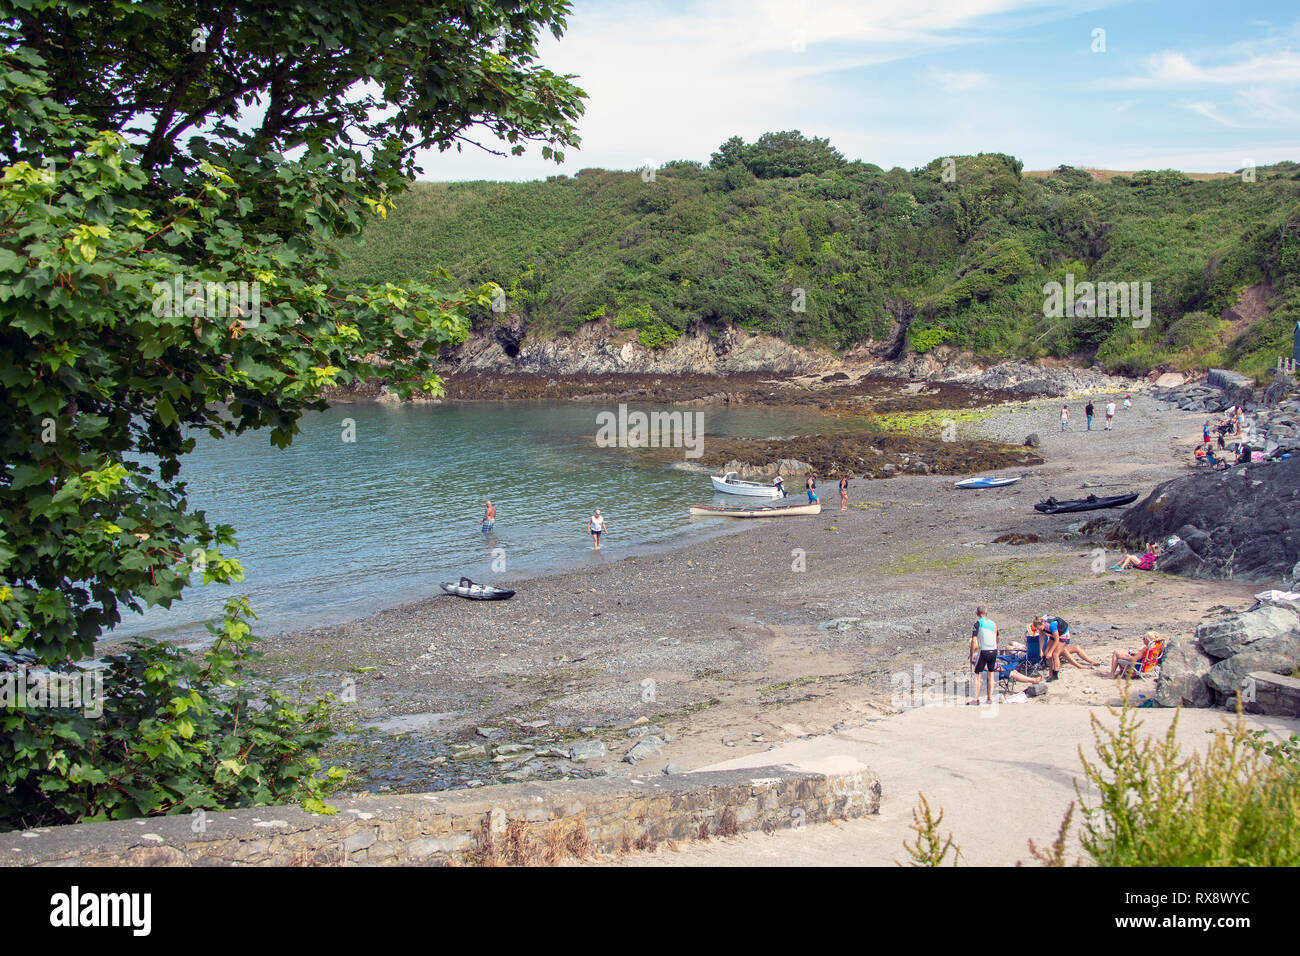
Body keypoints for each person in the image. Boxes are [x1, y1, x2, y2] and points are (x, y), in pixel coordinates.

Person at [969, 606, 1000, 705]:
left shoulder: (978, 623)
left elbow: (974, 640)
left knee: (977, 674)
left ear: (977, 614)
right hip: (993, 650)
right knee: (990, 673)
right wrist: (996, 645)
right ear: (987, 613)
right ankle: (989, 698)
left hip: (984, 651)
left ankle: (976, 699)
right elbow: (998, 637)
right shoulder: (993, 623)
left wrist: (972, 653)